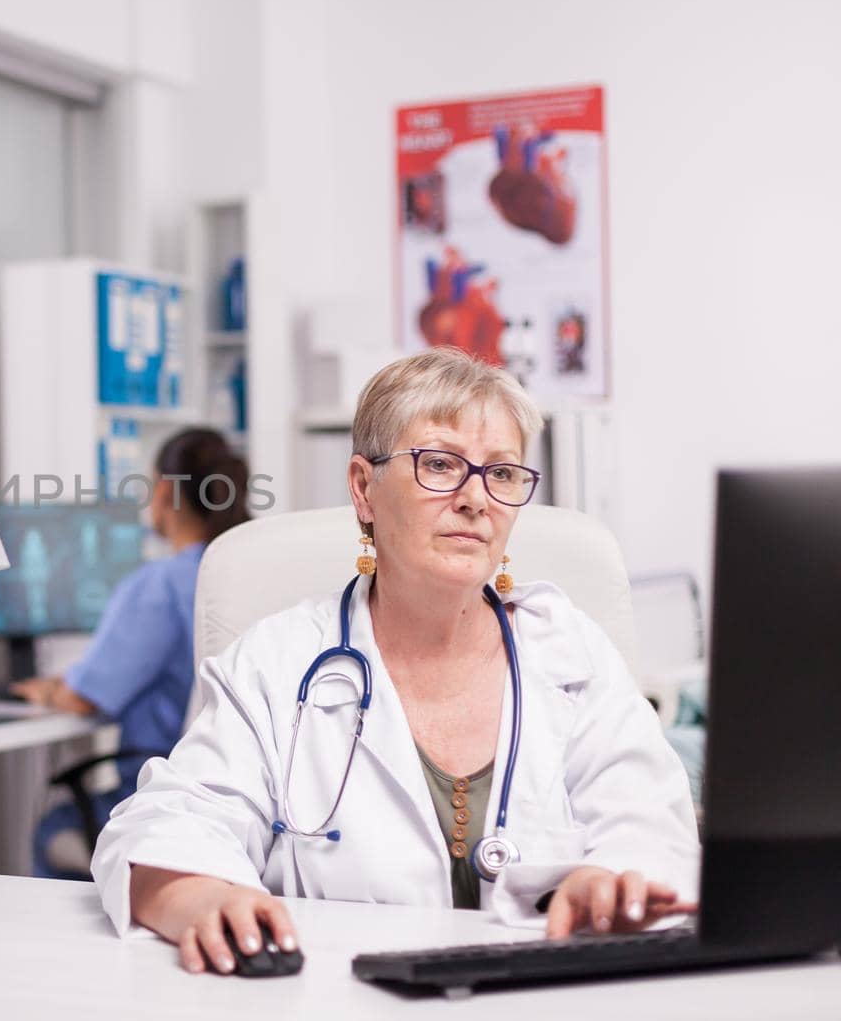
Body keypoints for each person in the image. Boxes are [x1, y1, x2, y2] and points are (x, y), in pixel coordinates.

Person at [93, 348, 699, 975]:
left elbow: (653, 825)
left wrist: (612, 882)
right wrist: (204, 895)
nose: (476, 499)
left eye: (503, 473)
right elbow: (168, 823)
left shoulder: (571, 652)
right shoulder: (276, 664)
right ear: (364, 488)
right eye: (440, 464)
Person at [12, 428, 250, 878]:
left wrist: (43, 692)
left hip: (162, 801)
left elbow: (86, 698)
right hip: (241, 802)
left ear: (164, 491)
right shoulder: (244, 572)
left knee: (53, 829)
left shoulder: (159, 585)